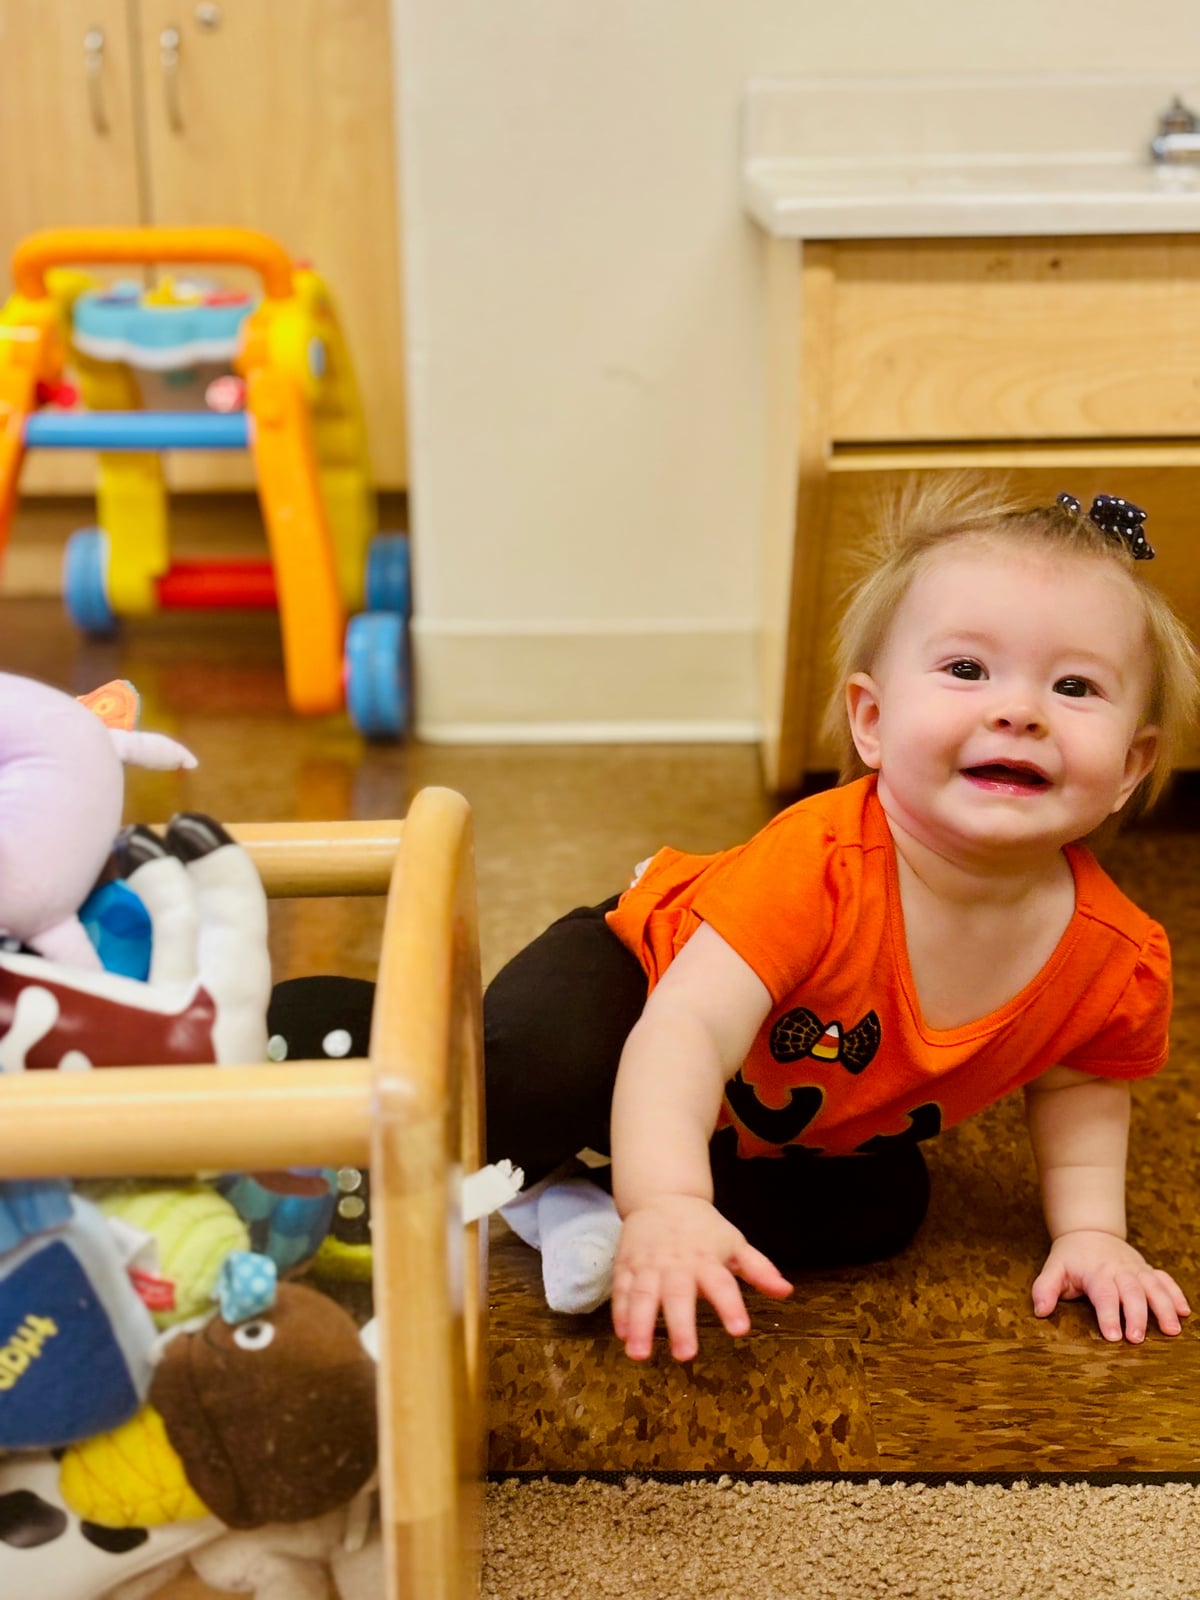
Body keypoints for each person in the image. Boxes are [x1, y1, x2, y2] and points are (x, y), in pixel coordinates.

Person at [484, 478, 1200, 1362]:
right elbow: (689, 1029)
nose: (1019, 710)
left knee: (881, 1210)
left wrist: (1092, 1232)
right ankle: (558, 1163)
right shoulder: (819, 863)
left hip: (777, 1110)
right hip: (643, 984)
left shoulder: (1113, 958)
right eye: (967, 669)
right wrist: (666, 1202)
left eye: (1076, 685)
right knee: (524, 1072)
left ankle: (565, 1206)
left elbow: (1083, 1084)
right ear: (871, 719)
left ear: (1131, 765)